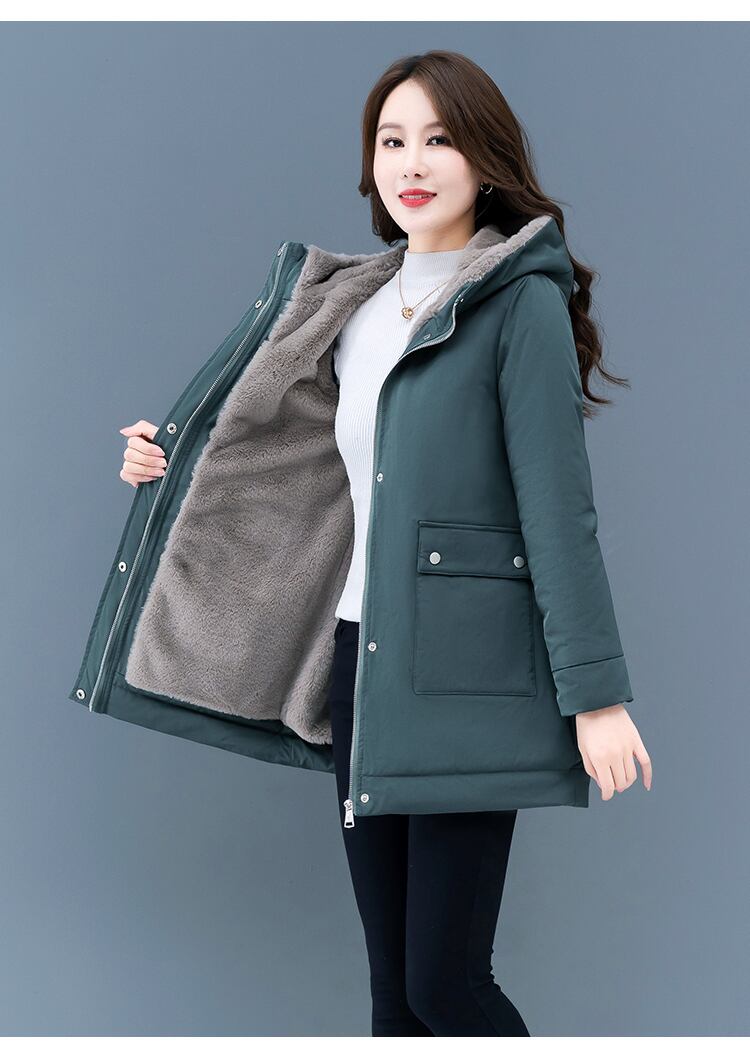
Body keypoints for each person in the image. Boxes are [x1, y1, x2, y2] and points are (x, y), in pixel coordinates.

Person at [109, 50, 652, 1037]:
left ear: (485, 158)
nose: (412, 162)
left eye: (439, 139)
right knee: (394, 1000)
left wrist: (597, 695)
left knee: (448, 985)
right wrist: (166, 459)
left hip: (466, 680)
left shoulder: (516, 302)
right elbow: (276, 463)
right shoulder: (350, 305)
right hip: (359, 666)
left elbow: (558, 512)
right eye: (391, 140)